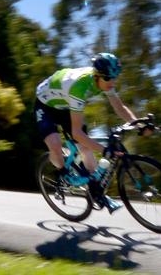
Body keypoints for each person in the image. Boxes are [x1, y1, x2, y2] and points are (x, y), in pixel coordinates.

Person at [34, 52, 149, 214]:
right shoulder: (79, 87)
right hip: (45, 105)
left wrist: (138, 124)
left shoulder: (104, 81)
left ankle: (97, 192)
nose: (112, 82)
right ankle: (62, 172)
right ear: (97, 76)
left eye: (115, 77)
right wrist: (104, 150)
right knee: (55, 144)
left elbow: (119, 107)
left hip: (65, 104)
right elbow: (77, 133)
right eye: (109, 78)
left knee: (85, 148)